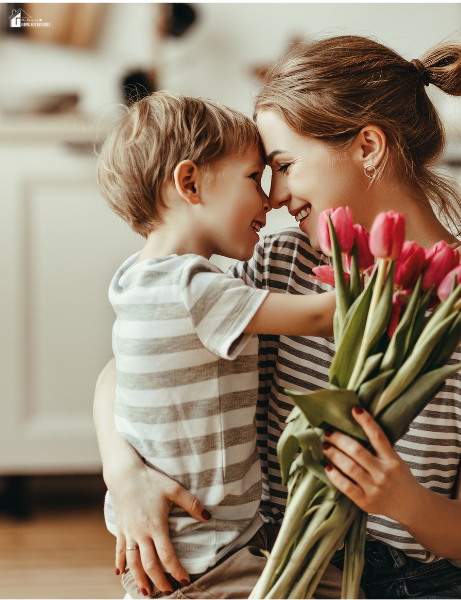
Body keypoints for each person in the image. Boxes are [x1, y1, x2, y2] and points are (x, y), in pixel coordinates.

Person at [94, 36, 461, 599]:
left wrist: (400, 498)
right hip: (270, 566)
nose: (275, 196)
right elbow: (133, 363)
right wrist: (124, 473)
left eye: (283, 165)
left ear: (368, 147)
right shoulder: (279, 264)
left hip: (411, 583)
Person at [96, 91, 343, 599]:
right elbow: (324, 316)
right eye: (255, 177)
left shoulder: (135, 278)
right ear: (189, 182)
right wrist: (426, 269)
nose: (270, 199)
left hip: (185, 546)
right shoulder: (194, 290)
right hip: (207, 555)